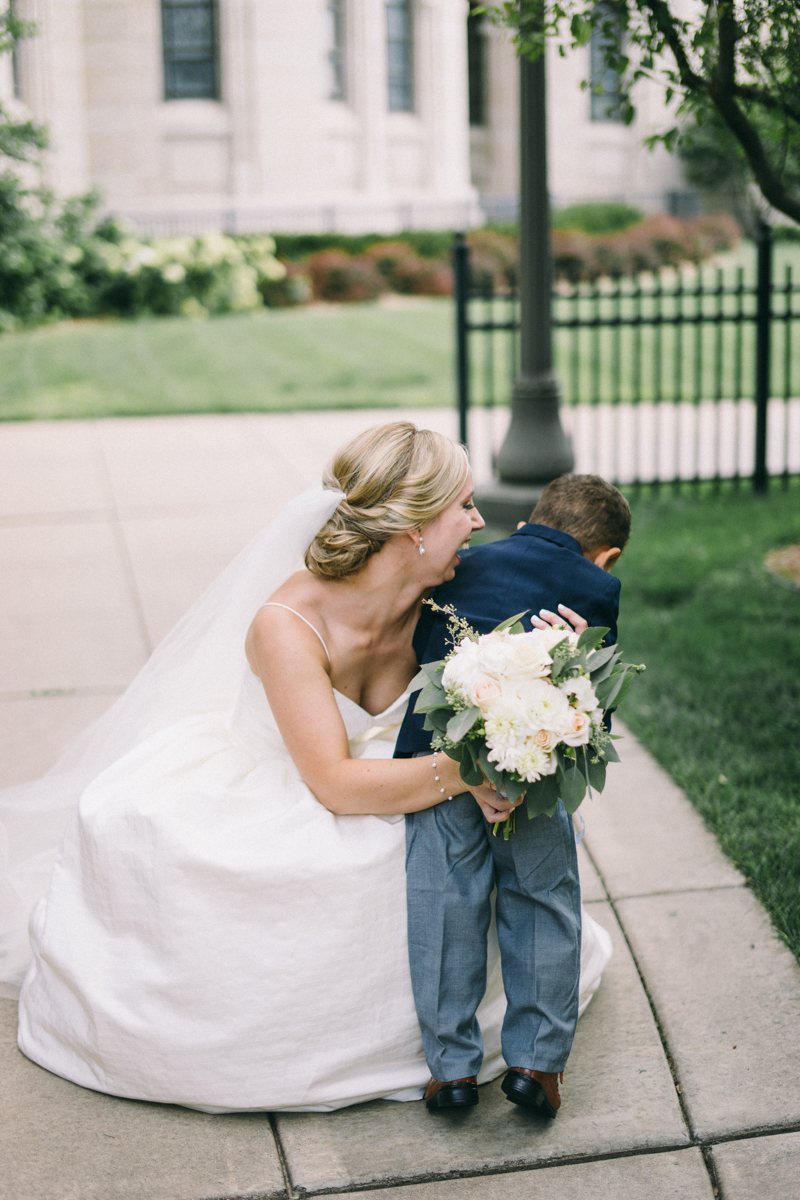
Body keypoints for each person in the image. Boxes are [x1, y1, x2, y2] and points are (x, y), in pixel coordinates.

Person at [0, 423, 610, 1114]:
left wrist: (557, 661)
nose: (478, 522)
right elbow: (332, 783)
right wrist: (467, 774)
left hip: (397, 764)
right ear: (412, 527)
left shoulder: (456, 586)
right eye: (463, 505)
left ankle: (520, 1040)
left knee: (493, 835)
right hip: (292, 780)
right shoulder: (287, 624)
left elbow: (530, 663)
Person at [396, 474, 630, 1119]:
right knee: (543, 894)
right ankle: (537, 1064)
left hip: (438, 759)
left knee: (442, 898)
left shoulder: (464, 565)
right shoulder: (596, 588)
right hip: (526, 764)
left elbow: (422, 648)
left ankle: (451, 1071)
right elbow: (592, 694)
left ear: (529, 522)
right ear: (606, 556)